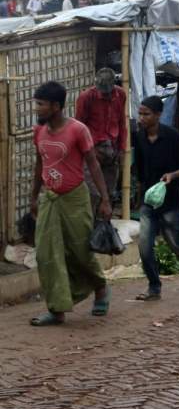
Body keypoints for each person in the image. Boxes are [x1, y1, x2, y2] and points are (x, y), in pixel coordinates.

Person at [28, 81, 112, 326]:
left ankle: (100, 288)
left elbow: (93, 165)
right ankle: (57, 309)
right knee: (47, 254)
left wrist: (105, 199)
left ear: (56, 106)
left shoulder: (78, 130)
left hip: (75, 198)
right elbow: (39, 165)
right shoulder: (39, 132)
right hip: (49, 199)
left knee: (80, 251)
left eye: (41, 104)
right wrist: (34, 197)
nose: (37, 109)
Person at [133, 95, 179, 302]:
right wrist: (140, 196)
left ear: (158, 115)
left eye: (146, 114)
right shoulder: (139, 137)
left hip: (171, 199)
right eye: (140, 114)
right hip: (150, 199)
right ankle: (154, 287)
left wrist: (172, 176)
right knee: (144, 246)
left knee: (174, 242)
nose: (141, 118)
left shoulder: (172, 137)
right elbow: (139, 169)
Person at [74, 67, 127, 215]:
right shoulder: (86, 97)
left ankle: (103, 229)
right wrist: (87, 151)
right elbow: (79, 126)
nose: (105, 94)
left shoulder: (120, 95)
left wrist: (122, 148)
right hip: (93, 150)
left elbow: (122, 122)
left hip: (113, 149)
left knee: (109, 193)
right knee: (93, 193)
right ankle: (89, 230)